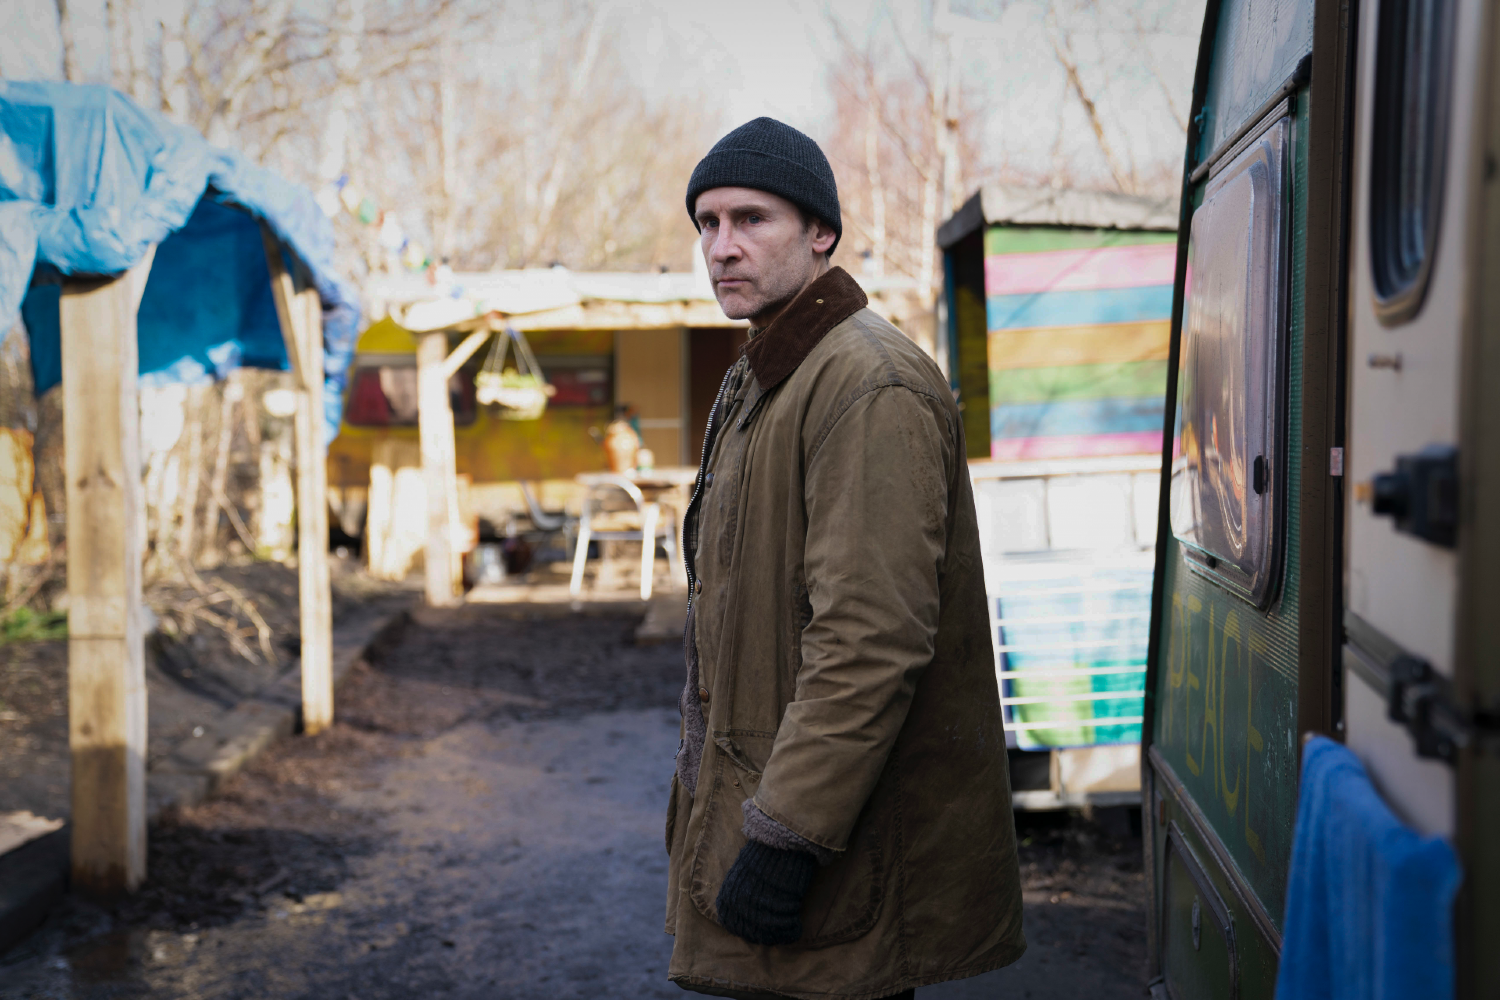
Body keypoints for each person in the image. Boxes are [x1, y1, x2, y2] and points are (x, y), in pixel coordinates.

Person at [664, 117, 1026, 1000]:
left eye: (752, 219)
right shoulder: (767, 376)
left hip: (832, 845)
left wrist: (785, 835)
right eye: (708, 223)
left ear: (821, 232)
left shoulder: (867, 382)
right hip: (765, 806)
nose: (722, 247)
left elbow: (869, 637)